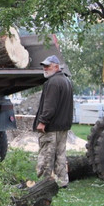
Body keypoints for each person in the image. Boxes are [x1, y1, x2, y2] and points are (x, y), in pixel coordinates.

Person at [33, 55, 74, 187]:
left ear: (56, 67)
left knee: (46, 155)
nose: (45, 68)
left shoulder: (53, 83)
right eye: (44, 66)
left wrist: (42, 121)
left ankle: (43, 184)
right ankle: (62, 182)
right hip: (63, 126)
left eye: (48, 66)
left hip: (51, 127)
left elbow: (50, 106)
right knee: (61, 155)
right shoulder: (67, 81)